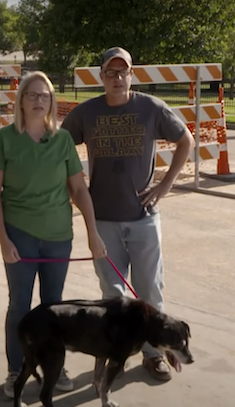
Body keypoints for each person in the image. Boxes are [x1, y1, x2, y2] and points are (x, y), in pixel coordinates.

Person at [61, 47, 195, 382]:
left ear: (131, 75)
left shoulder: (150, 108)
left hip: (143, 218)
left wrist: (164, 187)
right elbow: (60, 151)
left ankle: (153, 354)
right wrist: (74, 190)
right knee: (113, 296)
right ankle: (114, 352)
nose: (117, 78)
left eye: (123, 72)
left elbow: (186, 141)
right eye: (111, 72)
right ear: (101, 76)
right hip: (103, 221)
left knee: (149, 291)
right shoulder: (85, 114)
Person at [0, 71, 107, 398]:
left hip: (57, 236)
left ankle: (54, 366)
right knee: (20, 307)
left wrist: (92, 232)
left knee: (54, 307)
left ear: (52, 101)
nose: (39, 101)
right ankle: (16, 371)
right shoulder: (4, 140)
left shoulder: (63, 141)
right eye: (32, 95)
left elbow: (79, 189)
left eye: (45, 96)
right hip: (20, 236)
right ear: (21, 101)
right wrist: (3, 240)